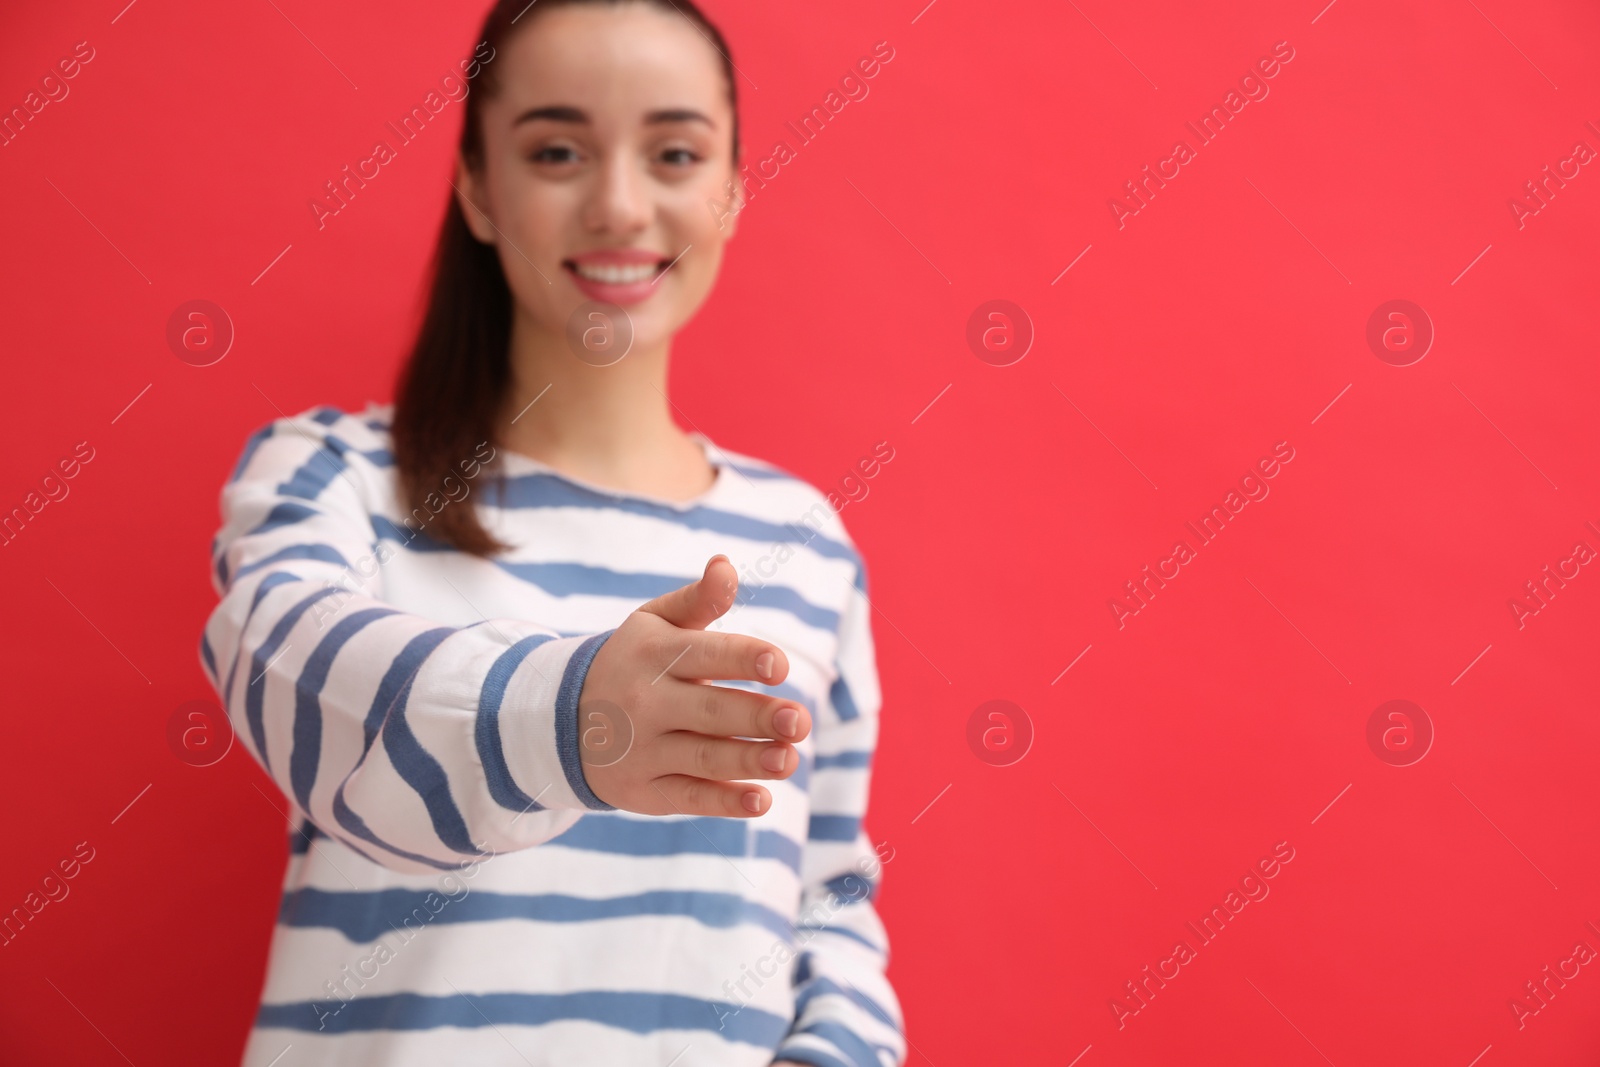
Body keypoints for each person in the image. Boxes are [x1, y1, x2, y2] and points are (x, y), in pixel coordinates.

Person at [198, 1, 904, 1064]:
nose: (620, 205)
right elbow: (302, 699)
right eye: (558, 150)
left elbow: (826, 898)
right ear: (478, 187)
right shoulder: (330, 474)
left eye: (675, 152)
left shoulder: (803, 542)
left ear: (734, 189)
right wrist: (570, 718)